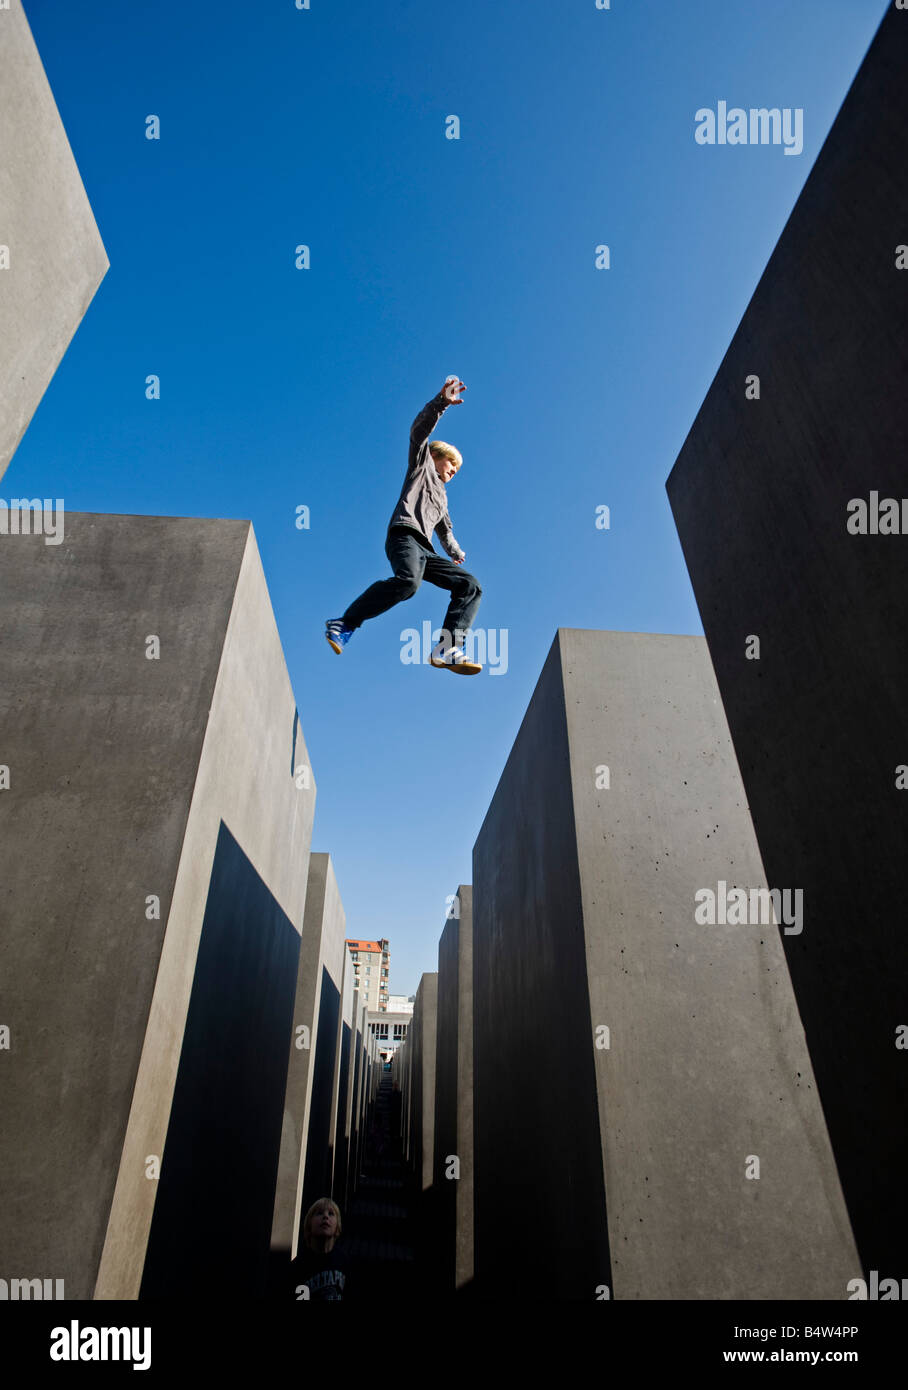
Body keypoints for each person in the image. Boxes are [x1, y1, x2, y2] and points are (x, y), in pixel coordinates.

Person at [325, 377, 483, 674]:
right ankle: (345, 622)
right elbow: (418, 432)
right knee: (409, 582)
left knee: (470, 584)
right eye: (452, 465)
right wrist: (441, 403)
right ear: (436, 457)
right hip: (404, 536)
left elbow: (445, 529)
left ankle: (448, 647)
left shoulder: (443, 497)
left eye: (457, 470)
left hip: (427, 550)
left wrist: (455, 550)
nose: (453, 472)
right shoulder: (420, 465)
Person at [291, 1198, 349, 1301]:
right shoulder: (298, 1267)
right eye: (319, 1213)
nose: (325, 1216)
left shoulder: (346, 1264)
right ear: (309, 1225)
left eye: (331, 1213)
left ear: (337, 1227)